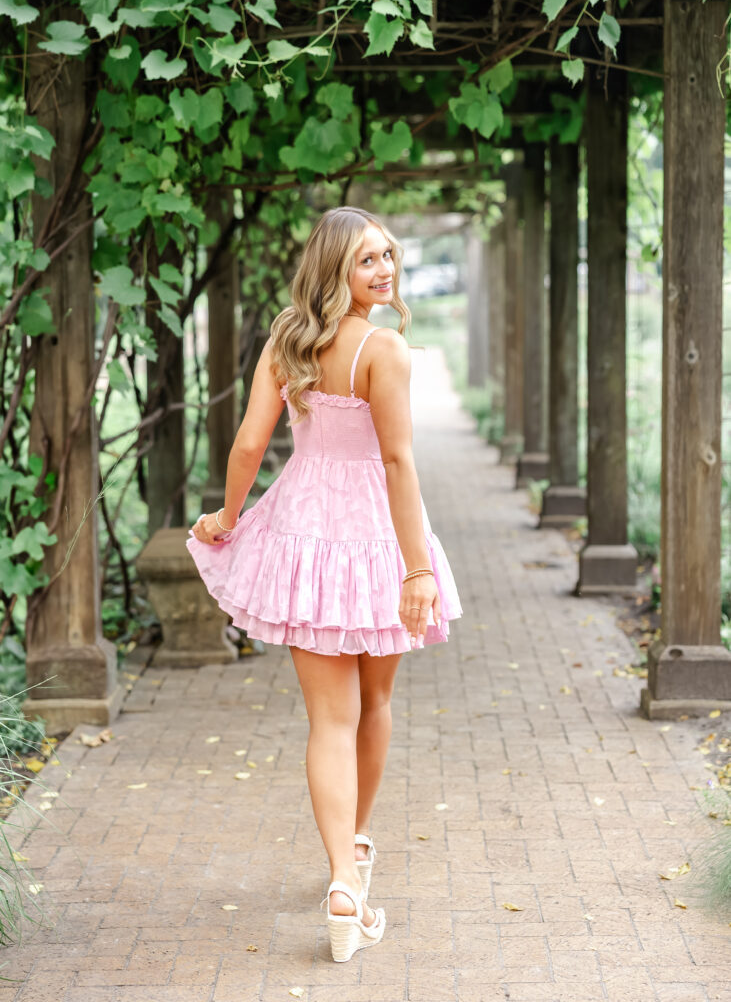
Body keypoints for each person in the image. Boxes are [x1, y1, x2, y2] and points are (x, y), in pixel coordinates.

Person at [188, 206, 461, 962]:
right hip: (375, 539)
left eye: (389, 257)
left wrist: (227, 514)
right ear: (334, 267)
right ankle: (349, 869)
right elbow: (398, 463)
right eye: (368, 260)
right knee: (370, 706)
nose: (386, 271)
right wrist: (416, 570)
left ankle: (346, 866)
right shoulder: (385, 349)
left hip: (305, 536)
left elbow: (251, 444)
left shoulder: (288, 341)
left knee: (333, 720)